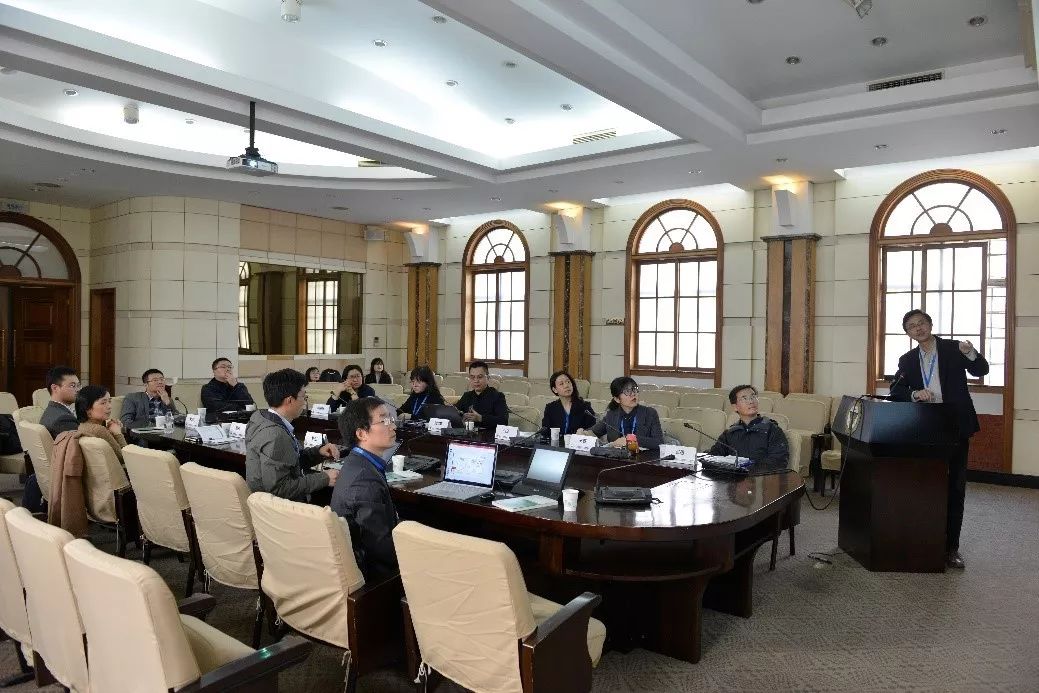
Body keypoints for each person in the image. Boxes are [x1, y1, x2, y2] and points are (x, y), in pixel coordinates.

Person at [890, 309, 989, 571]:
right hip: (925, 427)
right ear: (908, 333)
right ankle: (925, 540)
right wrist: (914, 394)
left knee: (955, 487)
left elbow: (981, 369)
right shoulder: (907, 360)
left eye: (921, 323)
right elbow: (896, 390)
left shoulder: (954, 348)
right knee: (925, 485)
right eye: (912, 326)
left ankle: (951, 548)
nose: (918, 328)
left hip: (955, 424)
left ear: (930, 324)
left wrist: (971, 352)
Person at [330, 397, 401, 582]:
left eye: (391, 419)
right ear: (362, 433)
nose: (393, 426)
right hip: (371, 577)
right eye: (384, 421)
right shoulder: (364, 480)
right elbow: (379, 547)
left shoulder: (357, 462)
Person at [245, 368, 339, 503]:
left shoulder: (260, 419)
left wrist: (318, 452)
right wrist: (325, 478)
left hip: (266, 504)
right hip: (279, 509)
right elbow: (279, 488)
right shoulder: (276, 435)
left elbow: (289, 461)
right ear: (289, 400)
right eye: (303, 397)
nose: (305, 402)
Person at [708, 385, 789, 471]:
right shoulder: (729, 433)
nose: (751, 401)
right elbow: (713, 457)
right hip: (732, 477)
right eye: (744, 398)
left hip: (761, 477)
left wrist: (746, 470)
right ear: (735, 407)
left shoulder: (772, 429)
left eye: (753, 397)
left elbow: (778, 461)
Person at [578, 376, 664, 449]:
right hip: (617, 458)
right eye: (627, 391)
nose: (633, 394)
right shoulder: (611, 415)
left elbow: (659, 442)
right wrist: (583, 432)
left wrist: (630, 440)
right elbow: (594, 431)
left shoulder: (649, 413)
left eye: (634, 389)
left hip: (643, 459)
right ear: (617, 399)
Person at [75, 385, 128, 461]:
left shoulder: (82, 426)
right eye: (103, 403)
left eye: (109, 401)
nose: (109, 406)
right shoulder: (99, 430)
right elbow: (125, 458)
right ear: (87, 409)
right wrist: (118, 433)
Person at [455, 361, 508, 429]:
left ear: (488, 378)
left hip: (489, 434)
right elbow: (455, 412)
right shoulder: (467, 396)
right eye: (472, 377)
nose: (476, 381)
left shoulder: (497, 396)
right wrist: (461, 417)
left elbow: (504, 421)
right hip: (468, 433)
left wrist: (480, 418)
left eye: (480, 377)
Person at [541, 370, 596, 435]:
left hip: (578, 441)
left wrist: (584, 432)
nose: (566, 386)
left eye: (568, 382)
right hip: (556, 441)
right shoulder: (550, 408)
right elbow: (545, 432)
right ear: (555, 390)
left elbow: (594, 429)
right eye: (561, 384)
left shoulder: (584, 406)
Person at [40, 365, 80, 438]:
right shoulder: (63, 420)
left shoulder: (51, 411)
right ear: (55, 388)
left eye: (78, 385)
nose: (78, 390)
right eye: (72, 386)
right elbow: (84, 443)